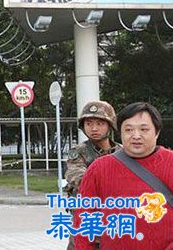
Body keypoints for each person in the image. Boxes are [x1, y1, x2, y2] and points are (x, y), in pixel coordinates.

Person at [74, 102, 173, 249]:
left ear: (157, 132)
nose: (136, 136)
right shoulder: (98, 169)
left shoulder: (170, 163)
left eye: (144, 129)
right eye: (128, 129)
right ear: (120, 132)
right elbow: (84, 220)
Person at [64, 100, 120, 250]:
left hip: (116, 219)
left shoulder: (122, 152)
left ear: (110, 125)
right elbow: (75, 175)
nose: (94, 128)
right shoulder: (79, 151)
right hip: (87, 218)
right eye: (89, 124)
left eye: (100, 123)